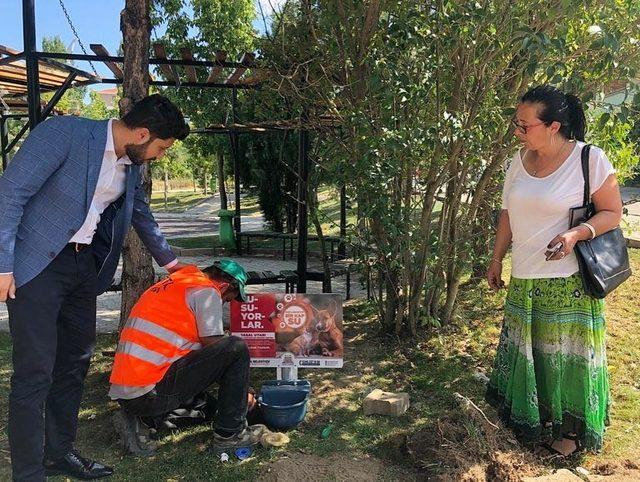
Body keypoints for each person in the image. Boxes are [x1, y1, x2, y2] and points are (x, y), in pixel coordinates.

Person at [0, 94, 189, 481]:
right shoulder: (64, 134)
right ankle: (29, 472)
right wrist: (2, 265)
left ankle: (60, 453)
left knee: (74, 365)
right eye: (161, 147)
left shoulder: (130, 164)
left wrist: (172, 264)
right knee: (35, 373)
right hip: (37, 267)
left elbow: (140, 213)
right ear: (141, 133)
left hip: (82, 269)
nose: (161, 155)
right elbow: (9, 195)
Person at [485, 85, 622, 456]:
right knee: (533, 356)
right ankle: (536, 419)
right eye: (517, 123)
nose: (517, 131)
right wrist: (497, 258)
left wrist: (576, 233)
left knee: (565, 359)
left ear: (553, 126)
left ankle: (570, 436)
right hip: (525, 278)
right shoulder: (519, 160)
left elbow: (612, 212)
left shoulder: (589, 159)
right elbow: (507, 214)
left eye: (524, 125)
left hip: (568, 282)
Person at [109, 260, 263, 455]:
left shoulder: (177, 283)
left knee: (210, 408)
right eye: (228, 299)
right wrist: (244, 391)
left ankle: (143, 420)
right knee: (237, 348)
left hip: (133, 391)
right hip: (148, 390)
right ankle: (229, 435)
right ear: (224, 286)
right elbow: (220, 349)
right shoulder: (207, 291)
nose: (224, 303)